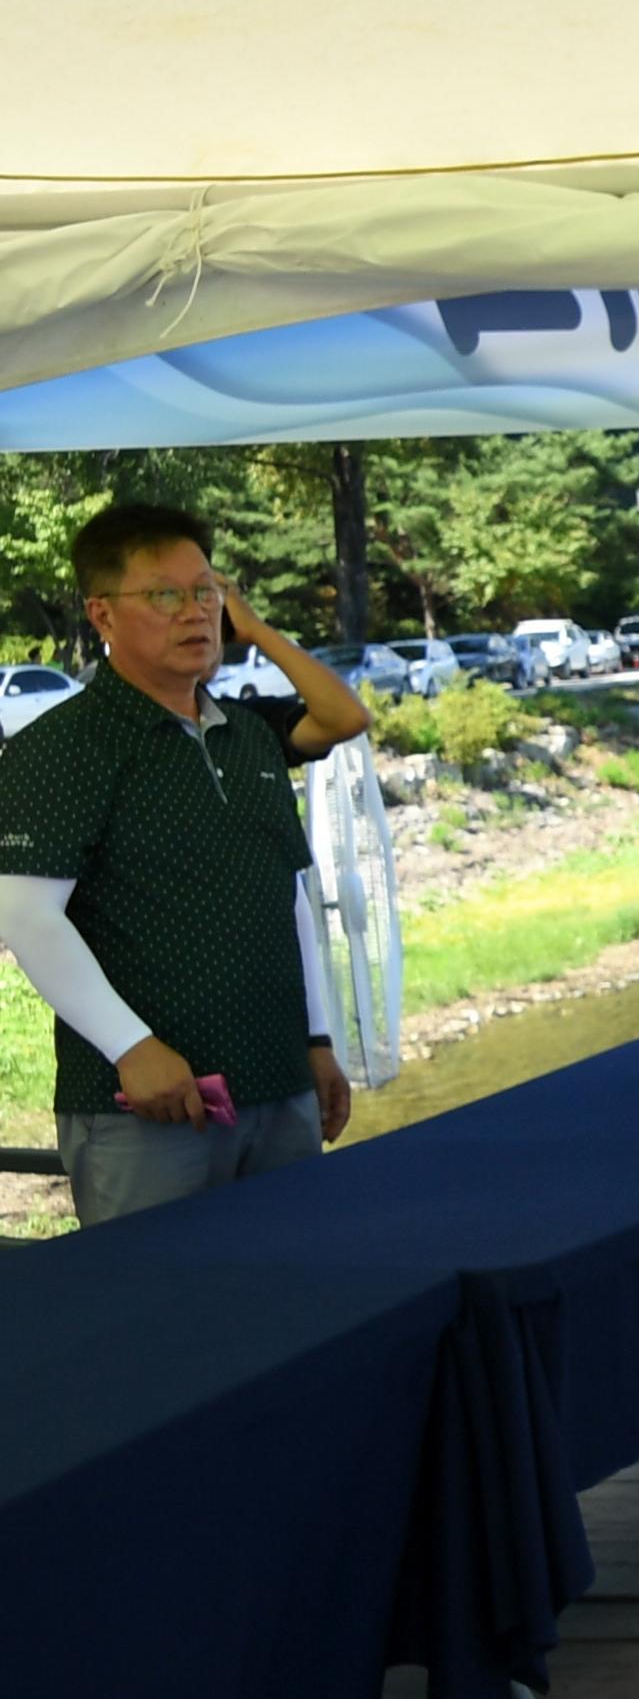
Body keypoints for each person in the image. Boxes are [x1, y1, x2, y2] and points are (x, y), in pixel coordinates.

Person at [0, 503, 374, 1222]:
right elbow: (24, 912)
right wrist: (130, 1046)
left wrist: (316, 1039)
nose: (194, 612)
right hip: (146, 1111)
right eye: (164, 594)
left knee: (299, 1300)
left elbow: (285, 892)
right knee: (163, 1323)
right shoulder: (63, 745)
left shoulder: (248, 736)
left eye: (207, 591)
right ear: (102, 615)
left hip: (278, 1081)